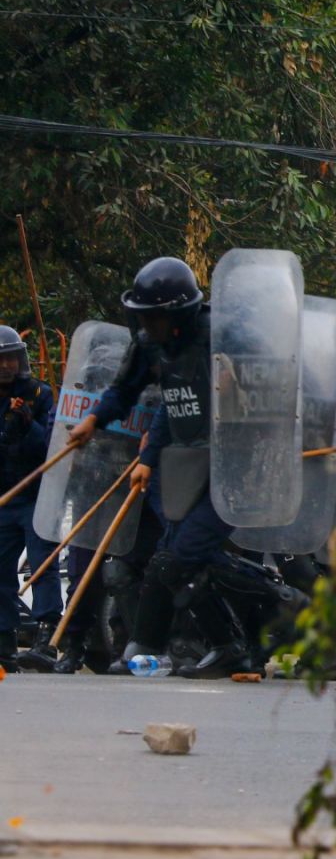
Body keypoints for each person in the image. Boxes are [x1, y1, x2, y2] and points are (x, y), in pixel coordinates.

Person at [68, 257, 260, 678]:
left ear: (178, 315)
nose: (147, 328)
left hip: (230, 471)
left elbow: (258, 403)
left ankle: (231, 640)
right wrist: (98, 424)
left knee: (174, 560)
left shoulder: (220, 341)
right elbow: (154, 404)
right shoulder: (152, 344)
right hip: (184, 470)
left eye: (154, 319)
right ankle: (179, 647)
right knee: (176, 562)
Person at [0, 325, 59, 672]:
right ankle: (5, 639)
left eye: (11, 358)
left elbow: (52, 446)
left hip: (37, 493)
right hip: (5, 497)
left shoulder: (39, 393)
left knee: (44, 564)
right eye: (0, 359)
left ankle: (47, 637)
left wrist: (28, 424)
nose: (6, 366)